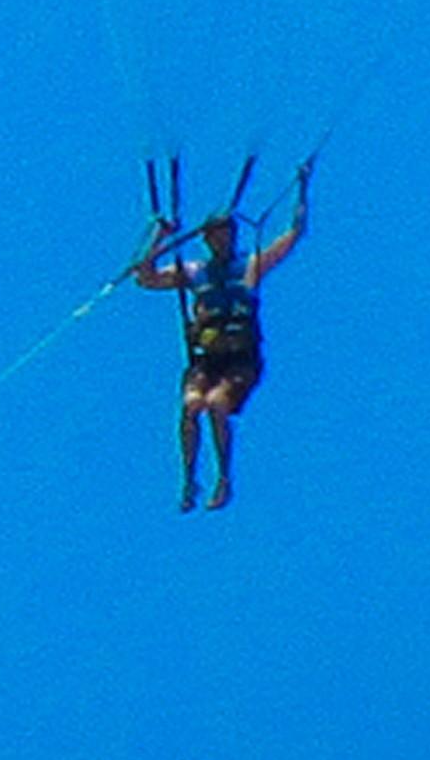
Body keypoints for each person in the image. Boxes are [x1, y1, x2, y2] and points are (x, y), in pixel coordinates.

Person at [129, 154, 309, 512]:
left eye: (225, 235)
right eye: (214, 237)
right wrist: (158, 235)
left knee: (215, 404)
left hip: (240, 361)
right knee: (192, 404)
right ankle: (188, 480)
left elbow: (293, 235)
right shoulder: (195, 271)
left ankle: (224, 479)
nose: (220, 242)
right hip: (206, 360)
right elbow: (145, 278)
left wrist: (302, 188)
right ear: (208, 240)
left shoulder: (250, 267)